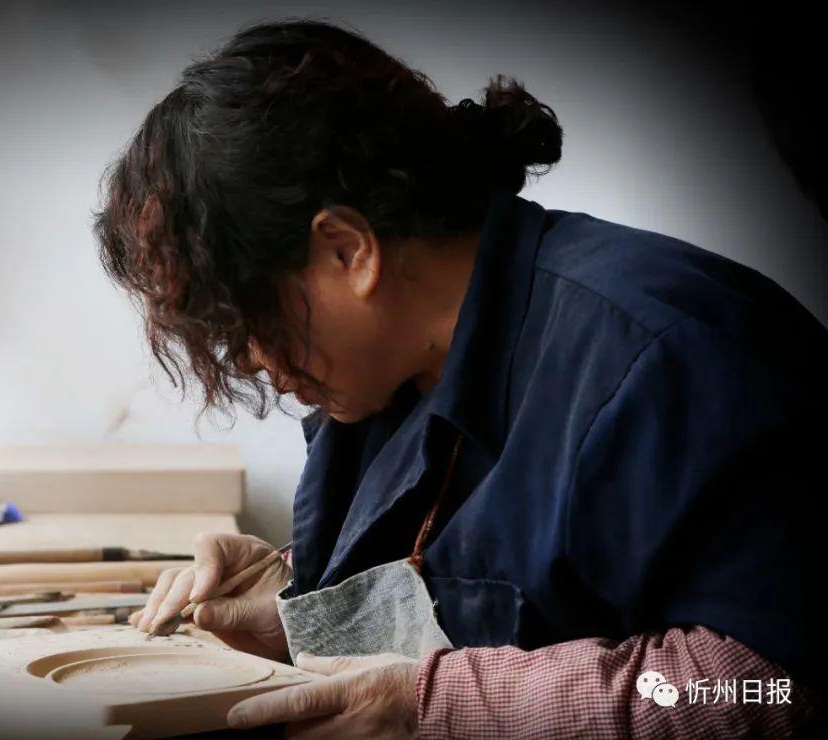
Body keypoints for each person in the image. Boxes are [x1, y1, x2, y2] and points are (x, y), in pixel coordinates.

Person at [94, 18, 827, 739]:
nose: (252, 358)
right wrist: (300, 607)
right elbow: (497, 590)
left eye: (250, 319)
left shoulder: (669, 355)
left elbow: (774, 686)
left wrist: (442, 708)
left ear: (348, 250)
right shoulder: (388, 377)